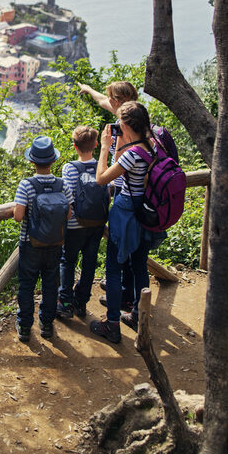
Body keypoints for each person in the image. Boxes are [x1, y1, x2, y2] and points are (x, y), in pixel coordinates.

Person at [90, 101, 165, 343]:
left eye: (119, 121)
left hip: (126, 211)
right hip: (145, 210)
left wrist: (104, 147)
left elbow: (102, 178)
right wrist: (120, 144)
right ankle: (137, 315)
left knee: (114, 268)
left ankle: (112, 324)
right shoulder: (151, 145)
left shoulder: (132, 155)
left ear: (126, 124)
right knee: (139, 264)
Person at [78, 79, 138, 310]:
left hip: (126, 193)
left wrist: (105, 146)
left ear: (120, 100)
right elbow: (101, 100)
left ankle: (122, 297)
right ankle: (125, 290)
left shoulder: (128, 125)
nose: (109, 101)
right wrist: (88, 89)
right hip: (126, 190)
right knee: (129, 247)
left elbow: (104, 175)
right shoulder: (132, 114)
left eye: (113, 98)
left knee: (121, 247)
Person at [12, 135, 72, 342]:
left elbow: (18, 216)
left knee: (27, 286)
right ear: (53, 161)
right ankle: (46, 324)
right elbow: (69, 214)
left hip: (31, 245)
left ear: (32, 162)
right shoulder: (62, 185)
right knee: (49, 284)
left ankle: (25, 327)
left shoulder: (26, 185)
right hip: (55, 244)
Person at [56, 125, 106, 320]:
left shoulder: (69, 168)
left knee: (67, 261)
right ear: (95, 144)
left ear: (75, 146)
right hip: (97, 224)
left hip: (75, 225)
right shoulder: (102, 166)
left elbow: (67, 196)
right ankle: (81, 302)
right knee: (89, 263)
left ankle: (65, 302)